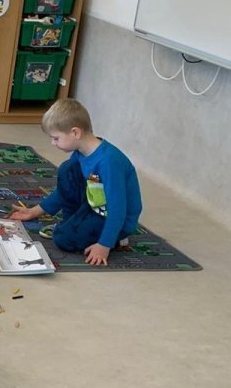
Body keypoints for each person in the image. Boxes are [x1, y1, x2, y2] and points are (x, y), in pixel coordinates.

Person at [9, 98, 142, 266]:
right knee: (68, 169)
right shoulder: (81, 152)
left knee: (63, 239)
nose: (53, 143)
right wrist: (34, 212)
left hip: (113, 216)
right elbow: (65, 189)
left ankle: (117, 237)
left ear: (75, 133)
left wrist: (104, 245)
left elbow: (118, 208)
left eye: (56, 138)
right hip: (95, 200)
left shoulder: (108, 162)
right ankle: (76, 222)